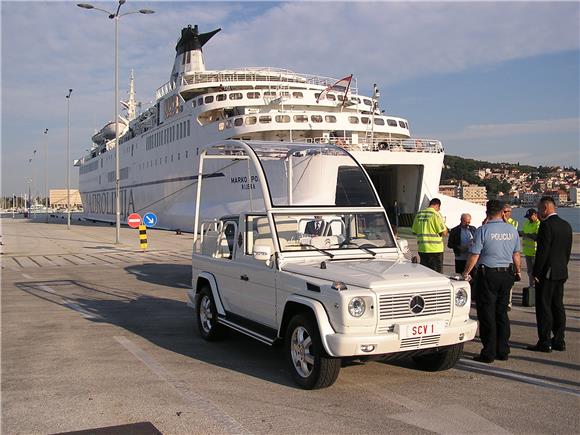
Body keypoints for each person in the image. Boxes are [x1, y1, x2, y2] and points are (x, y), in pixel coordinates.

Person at [463, 200, 521, 363]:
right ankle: (503, 350)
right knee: (502, 313)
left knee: (487, 313)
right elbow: (516, 254)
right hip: (507, 274)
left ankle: (488, 352)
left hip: (488, 274)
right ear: (503, 212)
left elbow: (475, 254)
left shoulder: (483, 230)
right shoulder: (512, 230)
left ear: (487, 213)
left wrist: (466, 272)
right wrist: (518, 272)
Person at [527, 196, 572, 353]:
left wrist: (536, 272)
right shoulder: (566, 225)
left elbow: (542, 252)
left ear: (545, 208)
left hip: (547, 272)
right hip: (561, 271)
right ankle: (559, 340)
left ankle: (544, 341)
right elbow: (567, 251)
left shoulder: (546, 226)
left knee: (544, 307)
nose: (538, 212)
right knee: (558, 305)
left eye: (539, 209)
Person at [411, 198, 448, 273]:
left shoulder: (419, 214)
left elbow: (414, 232)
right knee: (437, 274)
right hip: (435, 250)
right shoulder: (435, 214)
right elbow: (444, 232)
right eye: (439, 208)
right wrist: (443, 223)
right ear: (437, 206)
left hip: (423, 249)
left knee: (425, 273)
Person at [518, 208, 540, 291]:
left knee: (536, 272)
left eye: (530, 217)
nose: (529, 218)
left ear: (535, 215)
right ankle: (532, 287)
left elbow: (536, 236)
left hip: (535, 252)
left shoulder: (539, 224)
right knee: (530, 272)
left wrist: (526, 234)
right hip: (527, 252)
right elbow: (523, 232)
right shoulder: (526, 223)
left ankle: (538, 288)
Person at [502, 204, 518, 310]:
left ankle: (508, 302)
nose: (504, 214)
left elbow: (511, 231)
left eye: (506, 212)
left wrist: (504, 221)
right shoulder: (496, 221)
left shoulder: (513, 222)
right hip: (500, 253)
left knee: (509, 280)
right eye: (503, 211)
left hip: (509, 254)